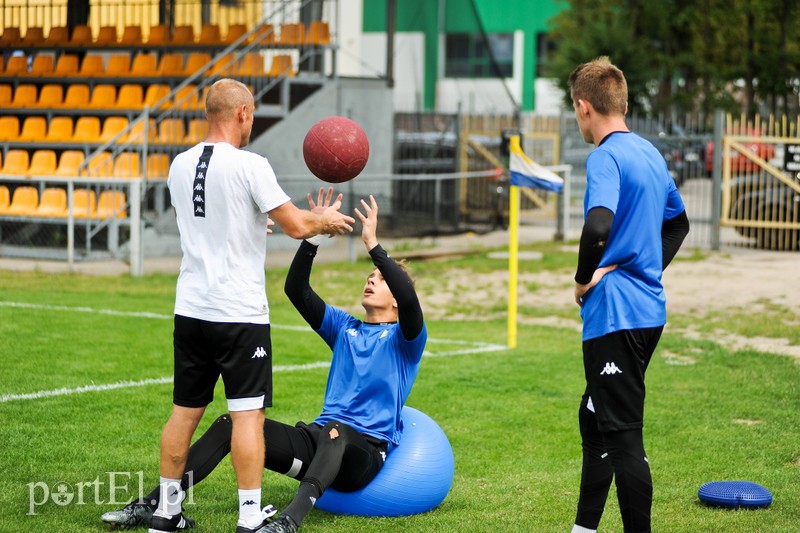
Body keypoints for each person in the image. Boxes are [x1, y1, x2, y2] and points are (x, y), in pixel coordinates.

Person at [102, 191, 427, 533]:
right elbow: (296, 290)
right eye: (370, 275)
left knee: (338, 431)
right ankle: (154, 505)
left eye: (381, 278)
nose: (371, 279)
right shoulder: (345, 328)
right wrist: (313, 235)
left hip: (361, 456)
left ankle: (288, 522)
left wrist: (373, 245)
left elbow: (409, 298)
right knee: (231, 423)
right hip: (318, 442)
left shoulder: (407, 340)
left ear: (395, 301)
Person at [149, 78, 354, 533]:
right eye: (252, 114)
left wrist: (251, 224)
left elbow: (203, 224)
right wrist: (324, 220)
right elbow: (298, 225)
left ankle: (166, 514)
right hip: (237, 314)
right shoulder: (251, 164)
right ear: (242, 112)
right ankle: (249, 519)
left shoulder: (178, 165)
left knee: (184, 411)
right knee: (247, 414)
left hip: (191, 309)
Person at [567, 57, 690, 533]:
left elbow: (598, 224)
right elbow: (678, 223)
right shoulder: (650, 154)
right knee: (594, 416)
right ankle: (584, 529)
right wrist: (644, 265)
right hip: (647, 312)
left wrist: (584, 277)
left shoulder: (605, 157)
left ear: (584, 108)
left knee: (622, 438)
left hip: (616, 316)